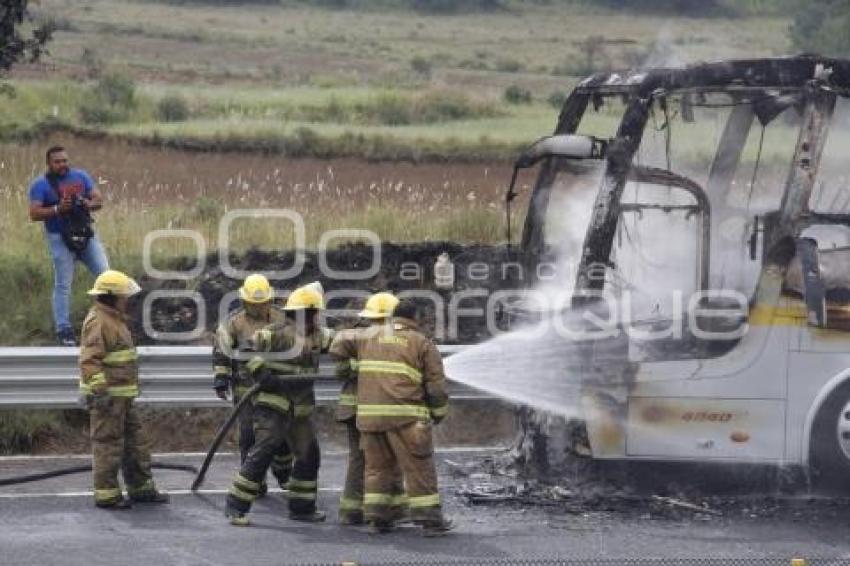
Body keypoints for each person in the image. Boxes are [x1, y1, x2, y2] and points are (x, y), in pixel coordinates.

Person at [224, 282, 332, 526]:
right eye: (316, 313)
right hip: (274, 406)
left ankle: (302, 507)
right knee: (263, 452)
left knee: (308, 454)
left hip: (299, 410)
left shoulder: (318, 335)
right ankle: (236, 507)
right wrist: (261, 373)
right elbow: (246, 350)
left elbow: (345, 343)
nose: (318, 318)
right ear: (308, 313)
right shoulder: (276, 333)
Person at [346, 296, 453, 536]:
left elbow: (336, 346)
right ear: (415, 318)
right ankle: (430, 521)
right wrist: (438, 413)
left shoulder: (368, 336)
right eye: (424, 319)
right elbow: (436, 387)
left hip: (370, 418)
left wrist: (350, 368)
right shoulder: (422, 343)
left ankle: (378, 519)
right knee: (419, 468)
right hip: (407, 417)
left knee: (376, 469)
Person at [79, 270, 169, 509]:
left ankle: (141, 489)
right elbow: (90, 360)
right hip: (108, 399)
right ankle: (107, 495)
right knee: (108, 444)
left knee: (136, 443)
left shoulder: (114, 319)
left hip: (123, 398)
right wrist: (101, 392)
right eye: (123, 296)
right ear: (111, 297)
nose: (127, 300)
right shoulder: (99, 321)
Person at [329, 292, 407, 527]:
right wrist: (358, 366)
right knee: (374, 459)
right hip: (367, 408)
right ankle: (361, 511)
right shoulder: (364, 337)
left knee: (369, 458)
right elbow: (339, 355)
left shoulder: (370, 337)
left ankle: (382, 509)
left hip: (367, 408)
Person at [212, 274, 292, 494]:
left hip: (275, 386)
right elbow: (222, 350)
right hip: (246, 387)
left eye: (262, 303)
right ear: (244, 301)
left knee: (280, 436)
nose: (258, 308)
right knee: (248, 435)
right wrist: (221, 377)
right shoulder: (234, 322)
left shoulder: (281, 318)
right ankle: (253, 481)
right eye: (253, 303)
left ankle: (285, 475)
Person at [29, 145, 109, 346]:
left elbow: (98, 199)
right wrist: (57, 209)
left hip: (86, 235)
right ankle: (63, 329)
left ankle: (108, 323)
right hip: (59, 238)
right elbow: (34, 213)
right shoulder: (40, 185)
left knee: (107, 277)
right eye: (57, 161)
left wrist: (87, 204)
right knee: (63, 283)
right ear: (49, 164)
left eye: (65, 160)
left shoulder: (80, 177)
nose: (62, 164)